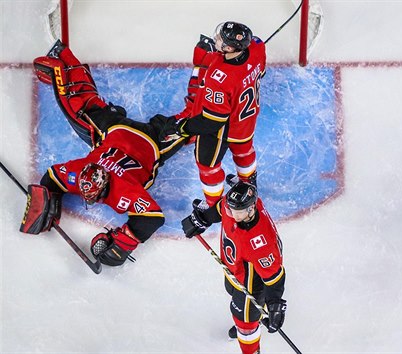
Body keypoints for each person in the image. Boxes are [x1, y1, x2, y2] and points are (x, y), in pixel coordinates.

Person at [20, 40, 188, 267]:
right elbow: (53, 176)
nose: (90, 199)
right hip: (117, 131)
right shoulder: (80, 174)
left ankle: (65, 65)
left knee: (191, 129)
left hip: (149, 141)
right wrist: (120, 240)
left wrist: (121, 242)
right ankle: (63, 60)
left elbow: (154, 218)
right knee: (80, 108)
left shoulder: (123, 191)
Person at [165, 21, 267, 209]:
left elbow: (212, 121)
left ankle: (213, 205)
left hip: (222, 131)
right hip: (246, 122)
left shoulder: (219, 76)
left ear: (229, 48)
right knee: (244, 150)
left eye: (220, 40)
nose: (216, 40)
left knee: (207, 166)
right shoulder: (257, 47)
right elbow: (261, 70)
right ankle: (248, 184)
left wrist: (183, 127)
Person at [181, 176, 286, 354]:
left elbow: (274, 278)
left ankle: (250, 342)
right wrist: (202, 219)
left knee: (245, 322)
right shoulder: (234, 207)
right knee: (230, 290)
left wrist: (275, 305)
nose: (232, 214)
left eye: (238, 212)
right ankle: (251, 320)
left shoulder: (261, 244)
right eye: (231, 209)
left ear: (252, 209)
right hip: (235, 267)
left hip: (252, 281)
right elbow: (220, 209)